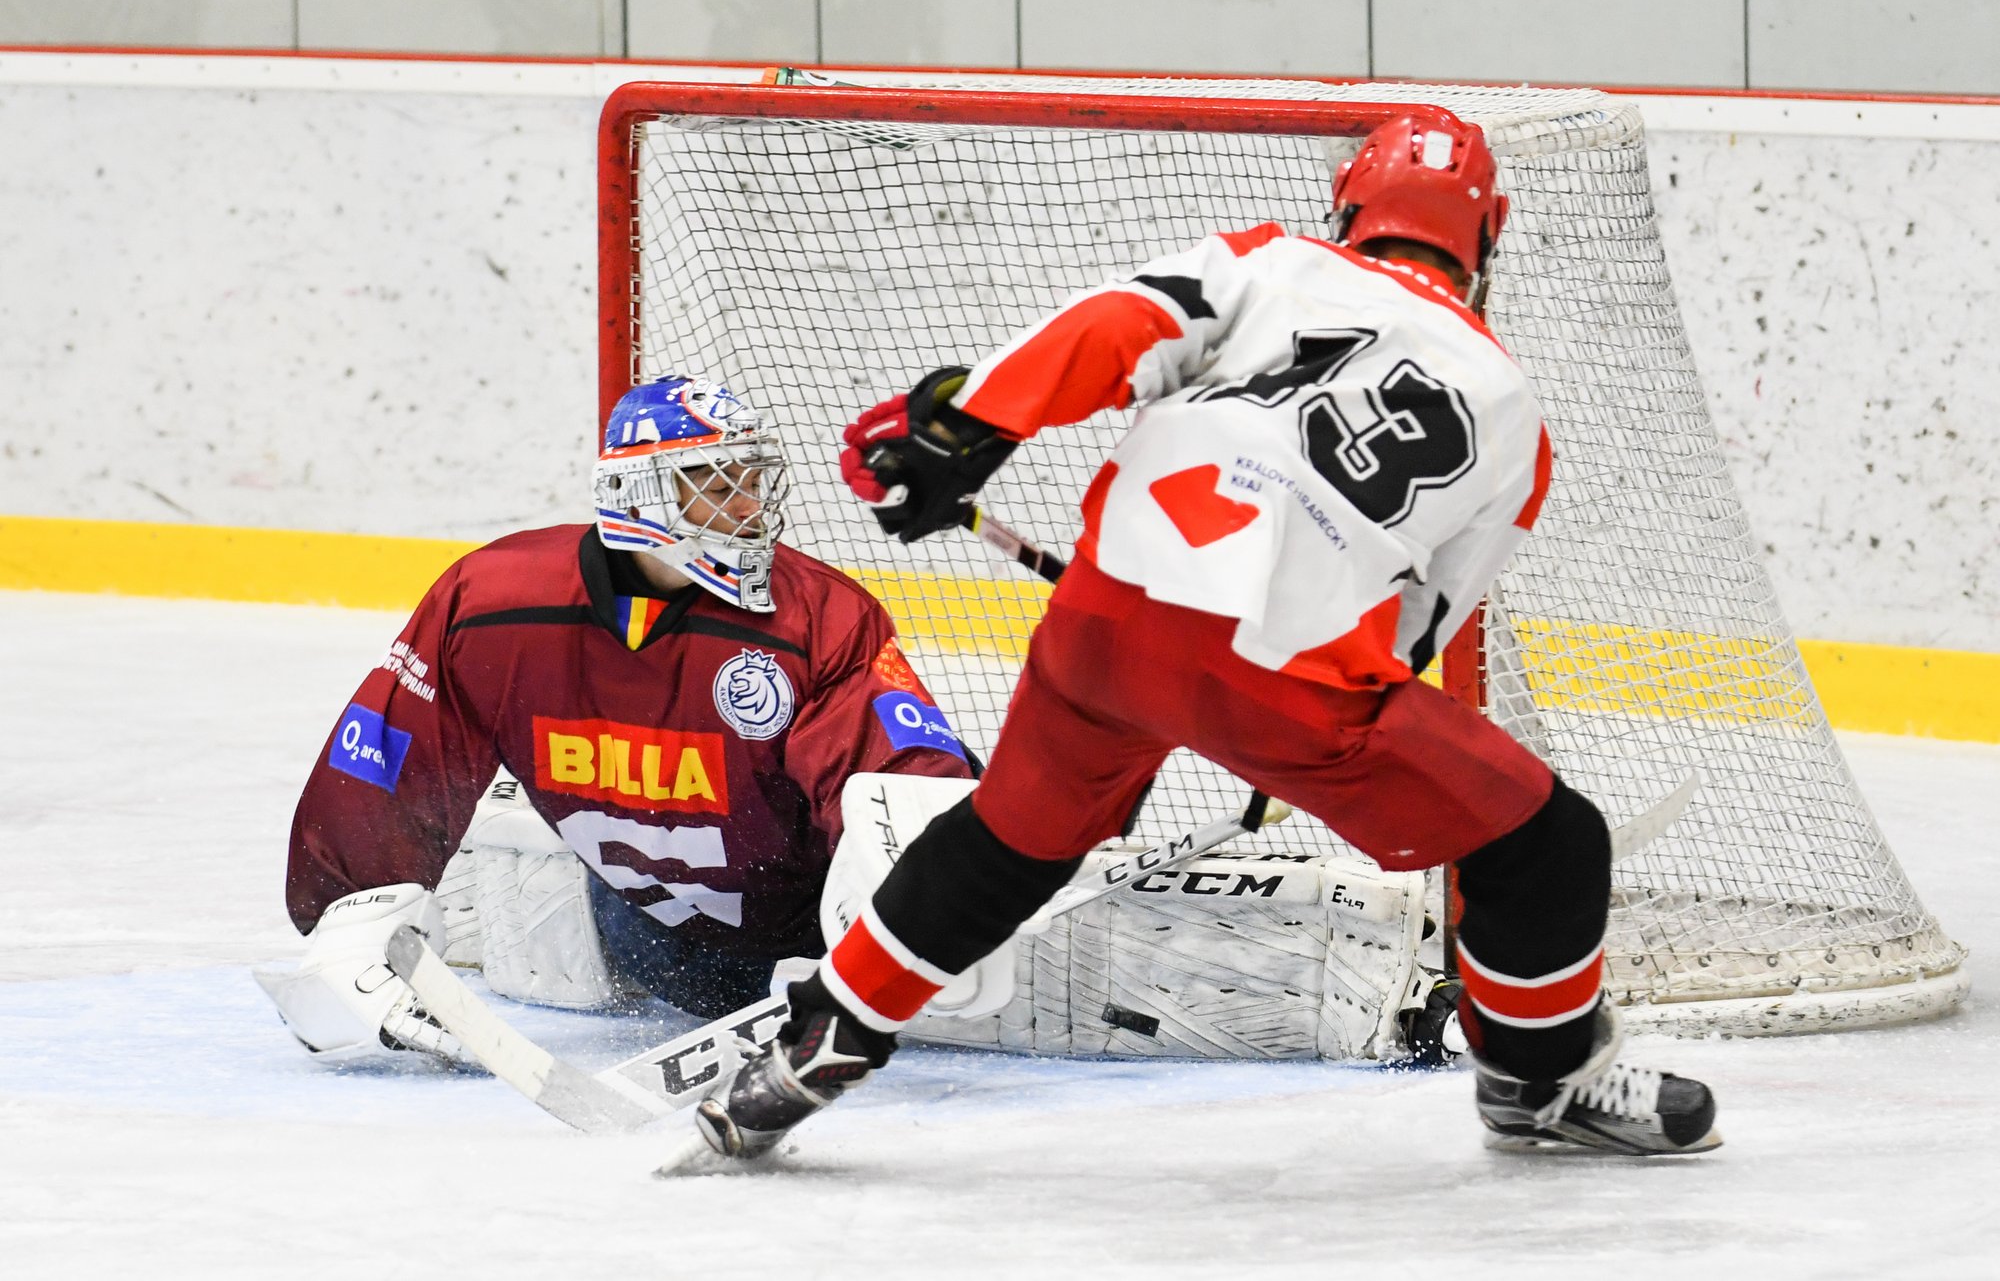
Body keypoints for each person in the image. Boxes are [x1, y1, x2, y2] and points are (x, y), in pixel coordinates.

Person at [691, 112, 1722, 1159]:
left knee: (1011, 840)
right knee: (1549, 844)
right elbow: (1420, 629)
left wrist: (968, 424)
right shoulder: (1511, 411)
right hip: (1290, 681)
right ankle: (1537, 1081)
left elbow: (1120, 325)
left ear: (1349, 206)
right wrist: (1288, 746)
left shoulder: (1273, 263)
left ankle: (825, 1031)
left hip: (1102, 623)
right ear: (1486, 235)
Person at [254, 376, 972, 1064]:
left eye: (751, 477)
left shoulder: (820, 616)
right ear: (637, 494)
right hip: (658, 950)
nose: (749, 503)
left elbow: (902, 775)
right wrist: (353, 925)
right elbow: (389, 753)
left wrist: (899, 915)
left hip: (816, 943)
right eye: (717, 482)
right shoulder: (492, 603)